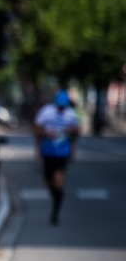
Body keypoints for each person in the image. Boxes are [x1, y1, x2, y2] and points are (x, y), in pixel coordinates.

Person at [33, 90, 80, 226]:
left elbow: (76, 132)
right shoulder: (46, 112)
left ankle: (55, 213)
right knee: (48, 182)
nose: (61, 109)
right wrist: (47, 133)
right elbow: (36, 129)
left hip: (62, 153)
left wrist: (73, 149)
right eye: (59, 106)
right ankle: (55, 197)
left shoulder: (71, 114)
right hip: (48, 152)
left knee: (59, 182)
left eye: (63, 106)